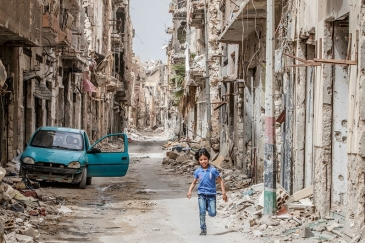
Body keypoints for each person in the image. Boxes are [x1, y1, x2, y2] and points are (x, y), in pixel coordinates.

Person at [187, 148, 228, 236]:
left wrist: (224, 193)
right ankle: (203, 229)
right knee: (202, 213)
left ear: (208, 159)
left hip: (211, 195)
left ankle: (207, 207)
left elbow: (220, 181)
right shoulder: (197, 171)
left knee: (212, 213)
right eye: (201, 160)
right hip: (201, 194)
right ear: (198, 160)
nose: (203, 161)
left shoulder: (213, 170)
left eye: (205, 159)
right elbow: (194, 182)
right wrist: (189, 191)